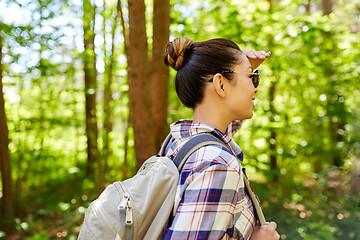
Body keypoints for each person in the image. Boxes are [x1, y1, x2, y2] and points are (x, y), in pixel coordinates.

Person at [162, 37, 280, 240]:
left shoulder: (181, 143)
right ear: (221, 85)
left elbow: (223, 130)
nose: (255, 88)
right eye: (252, 77)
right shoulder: (217, 163)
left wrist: (244, 70)